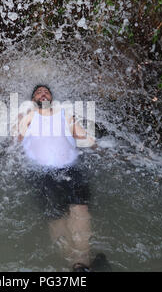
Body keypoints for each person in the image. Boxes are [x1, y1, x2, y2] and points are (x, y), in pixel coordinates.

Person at [14, 84, 110, 272]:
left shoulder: (65, 116)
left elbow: (86, 139)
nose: (43, 94)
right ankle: (76, 266)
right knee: (56, 216)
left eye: (46, 92)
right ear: (33, 100)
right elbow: (15, 141)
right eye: (38, 93)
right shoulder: (28, 115)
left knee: (80, 209)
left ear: (52, 98)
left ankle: (81, 265)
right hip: (40, 172)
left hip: (71, 169)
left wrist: (103, 152)